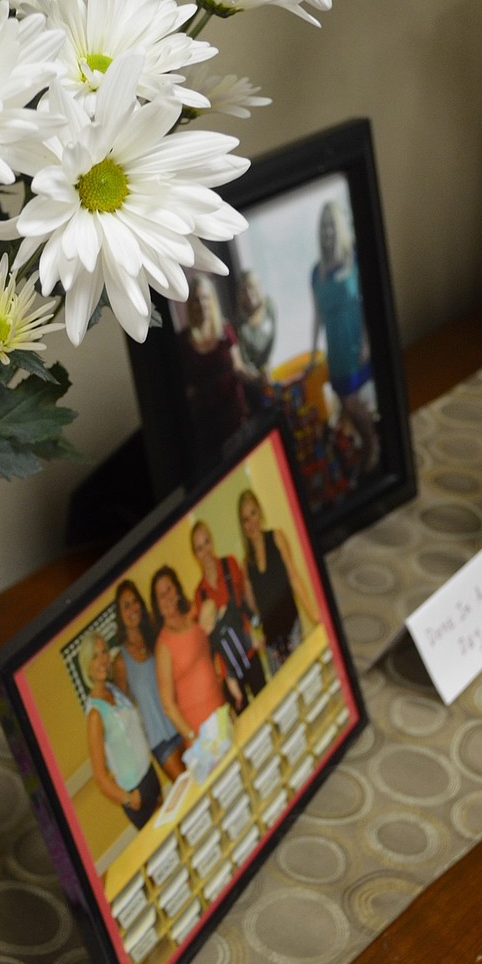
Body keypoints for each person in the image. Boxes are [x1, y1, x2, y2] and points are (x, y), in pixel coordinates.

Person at [308, 201, 379, 473]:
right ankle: (367, 444)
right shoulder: (316, 272)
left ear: (338, 227)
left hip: (354, 341)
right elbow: (317, 315)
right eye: (323, 226)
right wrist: (314, 354)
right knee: (346, 404)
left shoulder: (354, 258)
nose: (327, 231)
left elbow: (365, 302)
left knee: (354, 403)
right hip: (334, 348)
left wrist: (367, 340)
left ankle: (372, 444)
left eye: (330, 225)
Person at [80, 630, 161, 830]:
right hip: (135, 792)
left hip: (150, 775)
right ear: (87, 667)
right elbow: (100, 777)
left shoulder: (114, 690)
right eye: (95, 656)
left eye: (104, 652)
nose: (102, 660)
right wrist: (127, 798)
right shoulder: (95, 715)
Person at [237, 489, 320, 675]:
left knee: (308, 680)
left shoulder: (277, 537)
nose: (251, 522)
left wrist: (313, 612)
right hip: (272, 643)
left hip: (292, 627)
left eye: (253, 513)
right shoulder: (246, 563)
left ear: (260, 512)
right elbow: (253, 609)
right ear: (242, 525)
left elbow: (293, 577)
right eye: (245, 519)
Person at [179, 275, 260, 462]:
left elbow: (238, 367)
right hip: (207, 424)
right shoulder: (183, 341)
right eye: (196, 300)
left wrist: (257, 378)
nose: (201, 304)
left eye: (205, 298)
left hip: (235, 415)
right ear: (190, 305)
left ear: (212, 301)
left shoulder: (225, 329)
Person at [111, 579, 185, 782]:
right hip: (160, 741)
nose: (132, 608)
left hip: (183, 721)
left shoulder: (156, 636)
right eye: (126, 606)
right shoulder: (120, 663)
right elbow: (125, 712)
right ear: (120, 615)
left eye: (135, 602)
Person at [150, 565, 231, 745]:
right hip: (200, 731)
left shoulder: (194, 615)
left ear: (177, 590)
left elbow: (213, 645)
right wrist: (193, 738)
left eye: (169, 589)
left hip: (221, 710)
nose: (167, 597)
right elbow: (168, 706)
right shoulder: (163, 646)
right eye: (161, 595)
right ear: (157, 604)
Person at [190, 519, 267, 706]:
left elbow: (246, 603)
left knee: (268, 703)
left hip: (249, 652)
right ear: (195, 555)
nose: (205, 551)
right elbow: (209, 641)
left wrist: (258, 627)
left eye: (206, 543)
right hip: (229, 668)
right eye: (199, 548)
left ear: (212, 541)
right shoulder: (199, 594)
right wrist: (216, 676)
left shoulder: (230, 563)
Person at [236, 270, 276, 411]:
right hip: (252, 380)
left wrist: (267, 366)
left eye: (251, 287)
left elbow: (272, 340)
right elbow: (243, 359)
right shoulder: (240, 323)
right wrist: (258, 376)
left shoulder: (270, 306)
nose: (248, 293)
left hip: (270, 371)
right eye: (244, 289)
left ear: (258, 287)